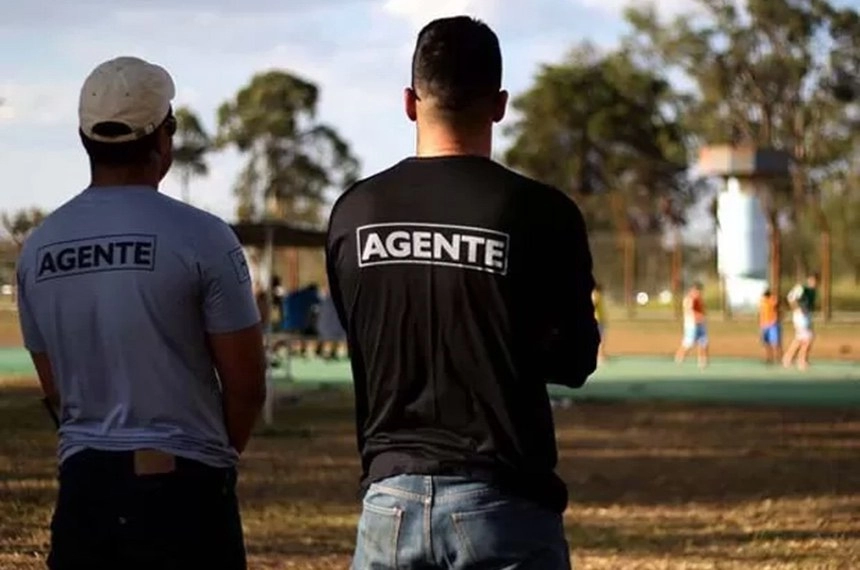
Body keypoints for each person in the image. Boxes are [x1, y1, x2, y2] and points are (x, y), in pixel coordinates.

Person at [326, 17, 599, 570]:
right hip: (504, 503)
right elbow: (574, 360)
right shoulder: (541, 213)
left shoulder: (354, 213)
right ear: (499, 105)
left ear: (409, 102)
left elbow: (362, 332)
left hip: (388, 503)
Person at [15, 56, 266, 570]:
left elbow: (55, 390)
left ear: (86, 140)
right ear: (164, 138)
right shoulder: (204, 237)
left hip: (84, 491)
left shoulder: (39, 248)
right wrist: (210, 454)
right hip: (184, 491)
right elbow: (246, 385)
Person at [783, 273, 818, 370]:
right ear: (808, 280)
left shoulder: (813, 291)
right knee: (808, 338)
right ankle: (801, 361)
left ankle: (788, 358)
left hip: (807, 315)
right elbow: (790, 297)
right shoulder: (802, 288)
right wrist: (795, 308)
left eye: (815, 281)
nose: (814, 282)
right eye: (812, 280)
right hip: (800, 316)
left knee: (800, 339)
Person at [675, 282, 709, 368]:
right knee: (688, 343)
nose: (698, 293)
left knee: (703, 342)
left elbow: (703, 310)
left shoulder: (699, 299)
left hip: (701, 324)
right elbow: (689, 311)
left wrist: (703, 318)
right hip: (691, 325)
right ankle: (679, 358)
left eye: (699, 291)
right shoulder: (689, 299)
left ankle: (702, 362)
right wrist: (696, 318)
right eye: (696, 291)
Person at [759, 287, 781, 364]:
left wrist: (776, 319)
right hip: (764, 325)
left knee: (775, 342)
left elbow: (777, 306)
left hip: (772, 324)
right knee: (766, 342)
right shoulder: (762, 301)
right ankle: (769, 358)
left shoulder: (773, 300)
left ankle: (778, 358)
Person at [593, 284, 608, 363]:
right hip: (598, 321)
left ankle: (601, 356)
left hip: (600, 320)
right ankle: (600, 357)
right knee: (600, 339)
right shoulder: (596, 295)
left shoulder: (597, 295)